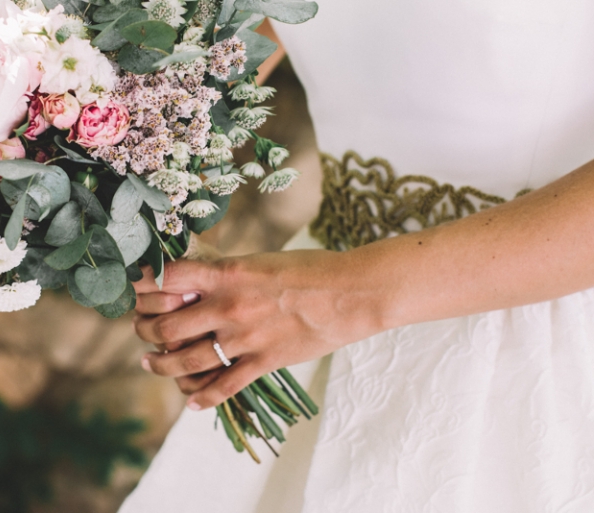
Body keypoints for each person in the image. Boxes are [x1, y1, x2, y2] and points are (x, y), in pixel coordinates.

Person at [119, 2, 594, 511]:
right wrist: (150, 204)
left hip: (529, 339)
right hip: (307, 325)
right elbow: (208, 70)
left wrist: (333, 300)